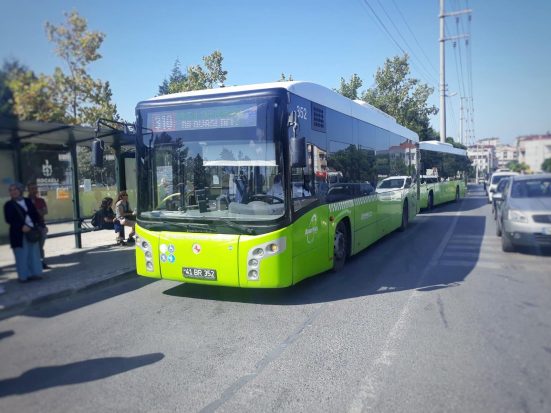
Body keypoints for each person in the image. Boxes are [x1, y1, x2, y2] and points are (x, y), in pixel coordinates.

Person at [3, 182, 43, 283]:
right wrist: (21, 226)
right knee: (21, 255)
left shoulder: (28, 201)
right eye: (11, 190)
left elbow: (35, 215)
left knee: (33, 254)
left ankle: (35, 274)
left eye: (15, 189)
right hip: (18, 234)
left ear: (20, 190)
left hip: (31, 231)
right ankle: (24, 276)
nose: (13, 192)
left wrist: (39, 225)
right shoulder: (8, 205)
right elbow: (9, 219)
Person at [27, 182, 49, 269]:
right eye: (32, 188)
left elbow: (45, 211)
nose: (34, 190)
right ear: (28, 190)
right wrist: (38, 211)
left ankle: (41, 263)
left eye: (35, 188)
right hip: (29, 228)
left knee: (40, 246)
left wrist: (34, 211)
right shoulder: (25, 201)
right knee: (31, 246)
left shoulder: (41, 200)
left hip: (41, 226)